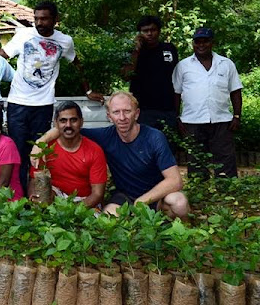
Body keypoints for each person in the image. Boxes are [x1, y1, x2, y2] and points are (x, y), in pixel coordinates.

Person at [0, 1, 104, 194]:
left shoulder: (65, 41)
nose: (39, 22)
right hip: (18, 104)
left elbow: (76, 63)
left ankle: (38, 196)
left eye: (44, 18)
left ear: (56, 19)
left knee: (39, 153)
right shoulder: (23, 35)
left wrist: (88, 91)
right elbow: (1, 55)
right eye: (36, 18)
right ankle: (17, 197)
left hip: (44, 105)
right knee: (18, 153)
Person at [33, 91, 189, 219]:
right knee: (108, 218)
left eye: (127, 111)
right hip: (124, 196)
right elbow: (67, 128)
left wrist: (142, 201)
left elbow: (175, 180)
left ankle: (180, 235)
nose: (122, 118)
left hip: (156, 196)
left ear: (136, 113)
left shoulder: (154, 137)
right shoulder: (105, 136)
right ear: (109, 116)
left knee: (179, 203)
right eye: (116, 112)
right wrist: (40, 142)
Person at [173, 27, 243, 177]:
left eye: (205, 41)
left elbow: (236, 91)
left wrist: (237, 116)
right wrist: (177, 117)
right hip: (192, 121)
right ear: (193, 43)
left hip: (222, 120)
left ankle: (227, 189)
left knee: (225, 158)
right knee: (196, 160)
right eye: (198, 42)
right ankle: (200, 189)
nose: (201, 45)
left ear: (212, 43)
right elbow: (176, 94)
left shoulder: (226, 63)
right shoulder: (183, 66)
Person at [28, 101, 107, 208]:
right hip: (54, 197)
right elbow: (34, 180)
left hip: (84, 201)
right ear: (56, 123)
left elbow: (97, 194)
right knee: (43, 192)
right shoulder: (45, 149)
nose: (68, 125)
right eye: (63, 121)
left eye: (73, 120)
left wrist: (71, 211)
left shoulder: (94, 150)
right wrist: (34, 197)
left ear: (81, 122)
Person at [122, 15, 178, 131]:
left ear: (159, 31)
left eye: (153, 30)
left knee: (168, 145)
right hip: (143, 110)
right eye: (145, 31)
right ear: (139, 33)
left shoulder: (169, 49)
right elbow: (126, 76)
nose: (149, 34)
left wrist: (177, 110)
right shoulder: (132, 51)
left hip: (168, 108)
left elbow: (178, 78)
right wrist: (136, 50)